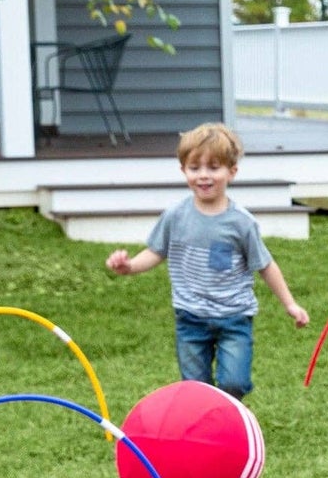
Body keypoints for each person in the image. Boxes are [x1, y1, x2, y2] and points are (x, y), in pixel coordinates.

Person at [105, 122, 308, 399]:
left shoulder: (241, 222)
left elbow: (265, 265)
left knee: (233, 384)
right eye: (195, 168)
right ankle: (205, 434)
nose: (204, 176)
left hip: (234, 318)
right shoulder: (175, 216)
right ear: (183, 171)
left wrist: (290, 304)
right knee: (195, 390)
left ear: (231, 172)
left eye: (214, 167)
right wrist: (129, 267)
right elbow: (155, 252)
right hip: (190, 318)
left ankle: (230, 421)